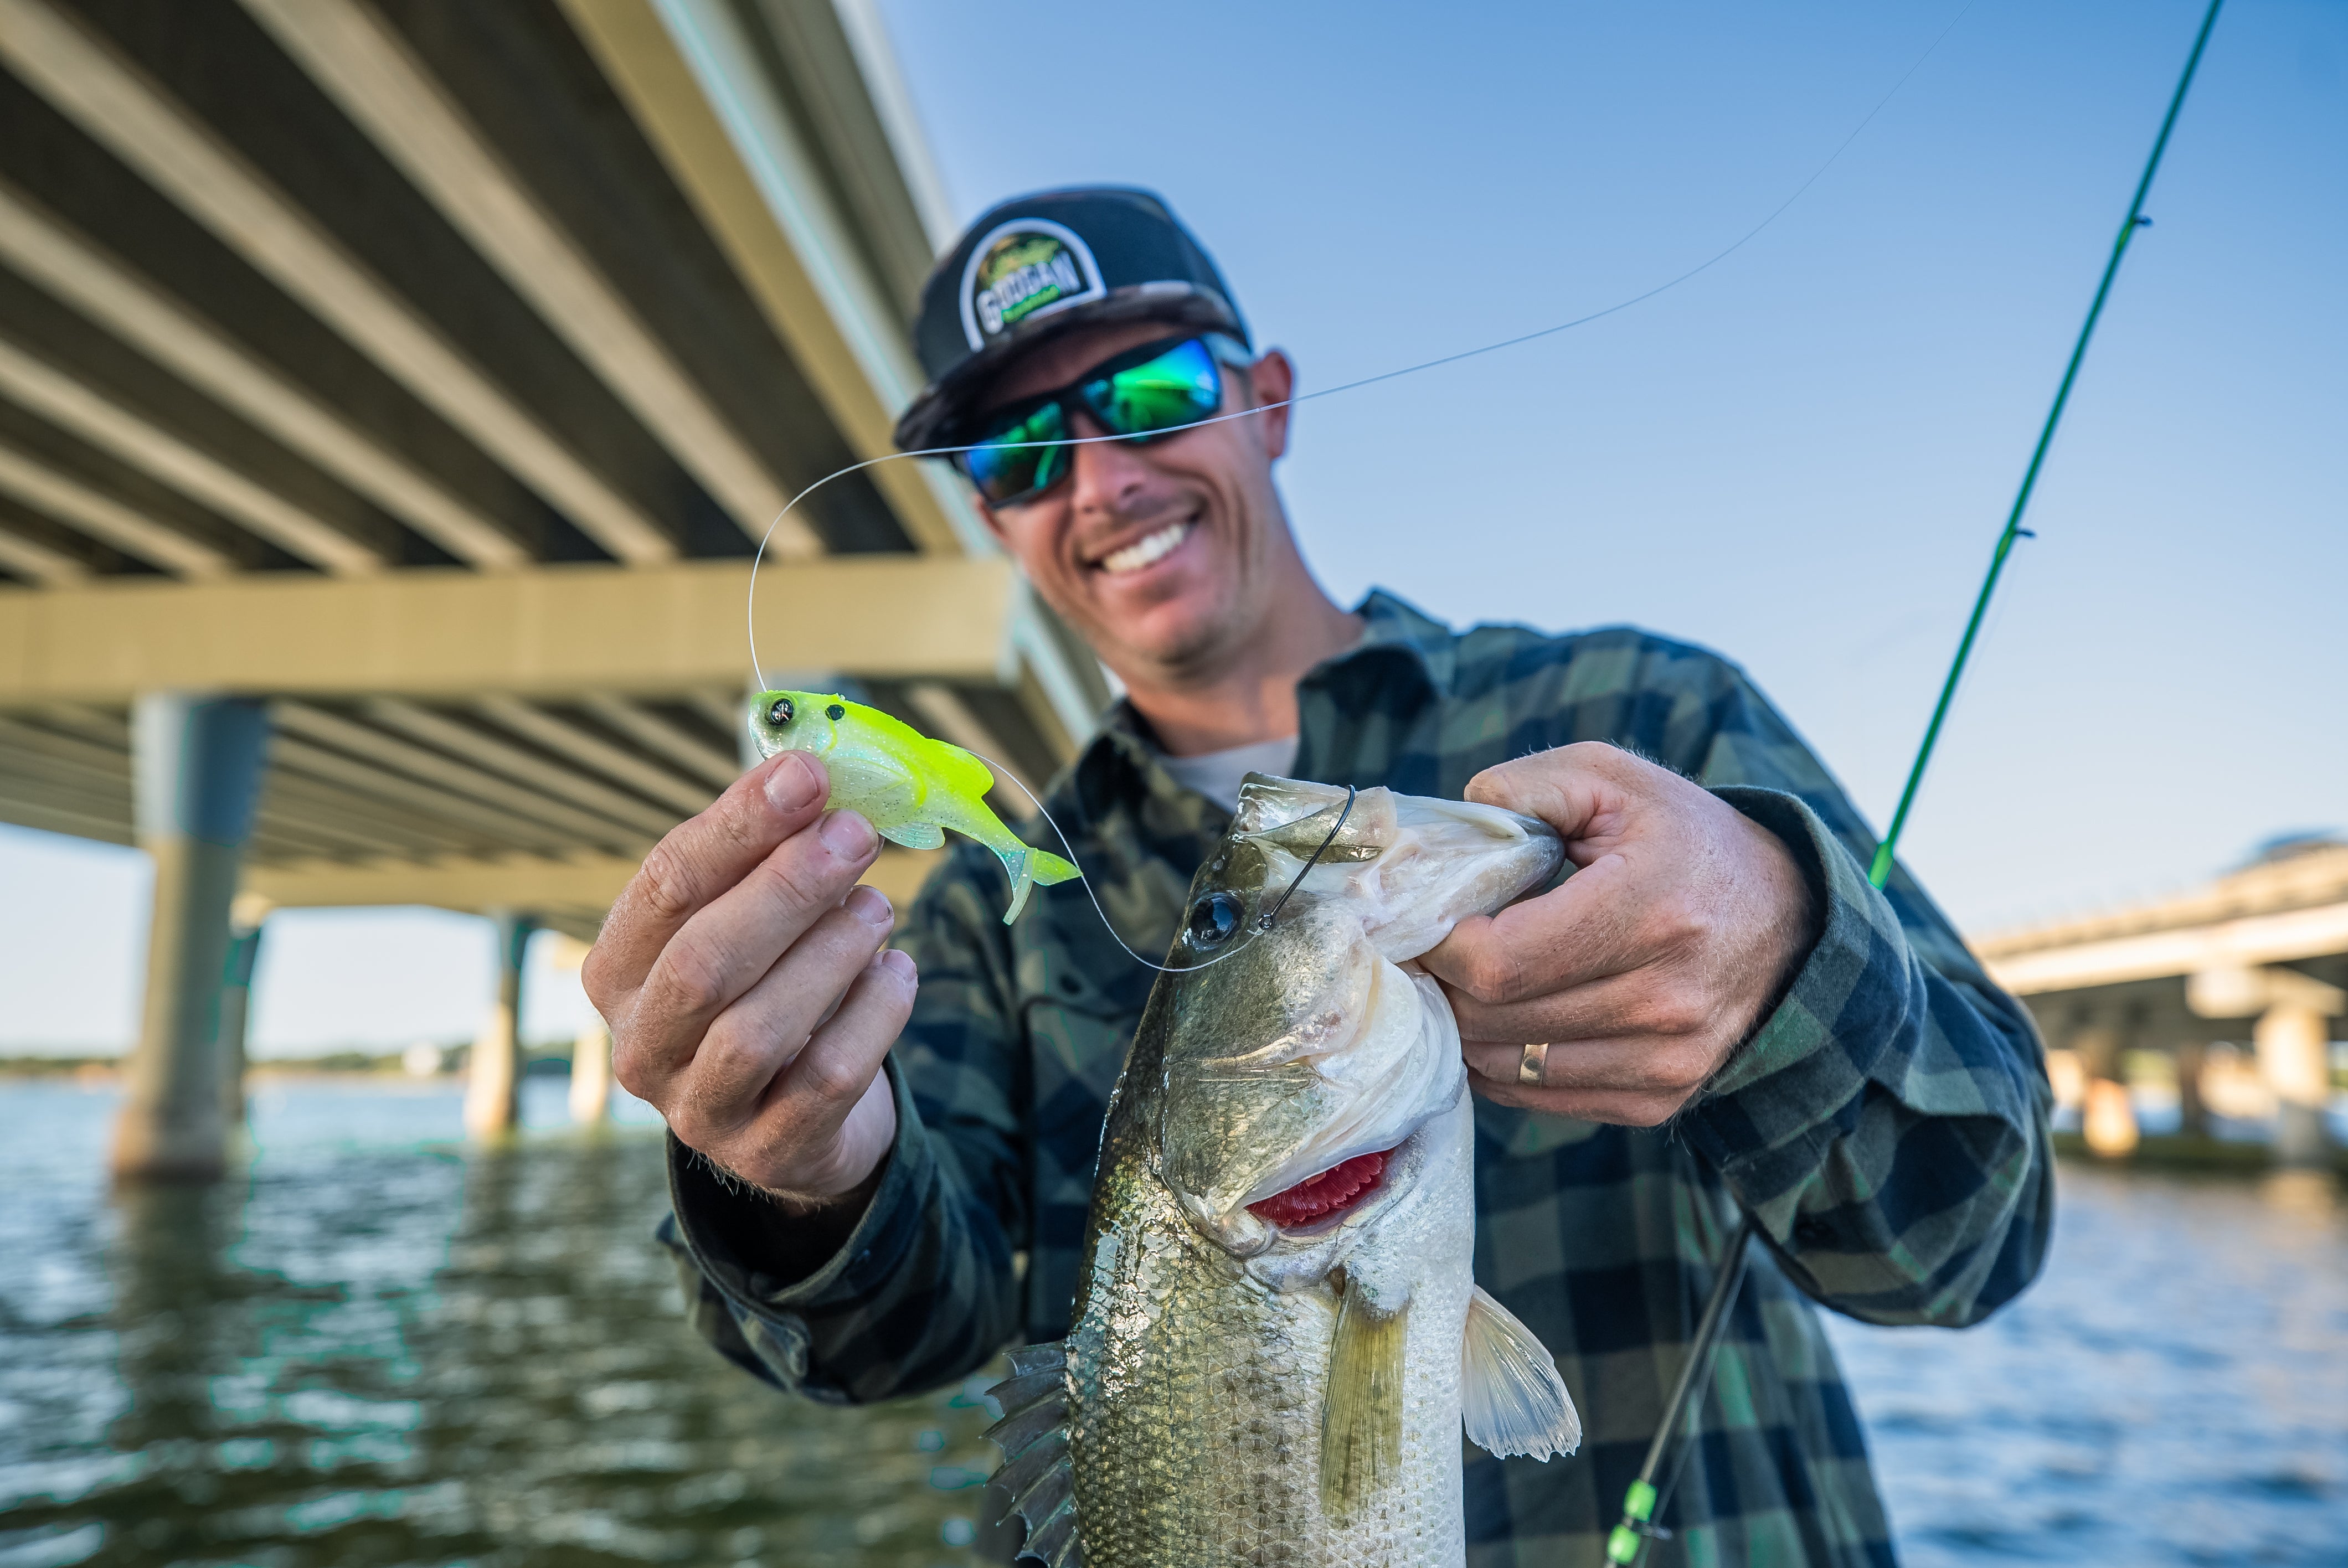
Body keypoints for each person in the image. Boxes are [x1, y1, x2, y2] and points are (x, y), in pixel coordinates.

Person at [586, 188, 2052, 1565]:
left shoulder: (1650, 714)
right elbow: (877, 1336)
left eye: (1151, 394)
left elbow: (1966, 1245)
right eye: (1020, 453)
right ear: (993, 519)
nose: (1101, 478)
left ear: (1267, 394)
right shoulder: (995, 906)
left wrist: (1785, 939)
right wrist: (795, 1174)